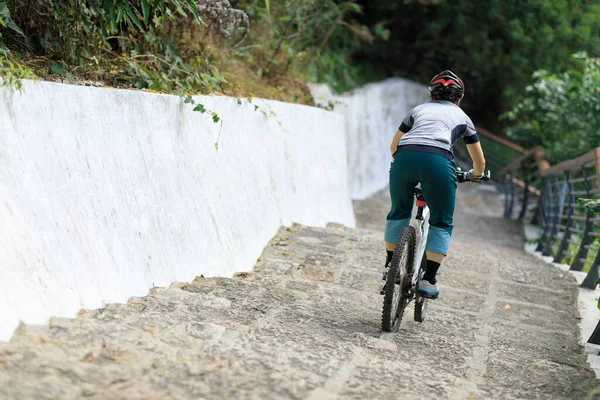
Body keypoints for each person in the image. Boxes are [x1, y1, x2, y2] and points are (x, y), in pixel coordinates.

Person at [384, 70, 486, 298]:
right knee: (442, 221)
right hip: (438, 161)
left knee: (398, 212)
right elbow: (479, 161)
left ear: (431, 95)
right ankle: (428, 280)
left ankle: (389, 266)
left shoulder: (417, 110)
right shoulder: (463, 117)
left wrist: (403, 167)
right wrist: (474, 174)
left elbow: (394, 145)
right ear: (459, 99)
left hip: (404, 157)